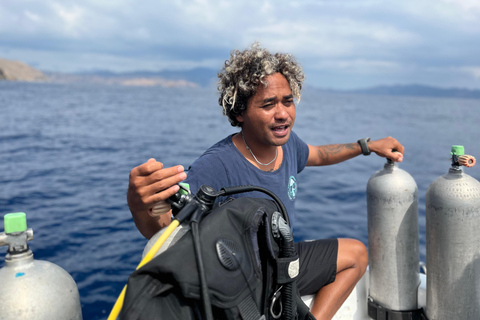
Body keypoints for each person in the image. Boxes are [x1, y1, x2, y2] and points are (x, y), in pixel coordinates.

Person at [127, 43, 404, 320]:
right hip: (242, 283)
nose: (283, 113)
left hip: (282, 261)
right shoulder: (215, 165)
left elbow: (319, 154)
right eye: (268, 104)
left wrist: (366, 146)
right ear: (239, 112)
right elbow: (164, 232)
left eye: (287, 101)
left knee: (356, 255)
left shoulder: (288, 145)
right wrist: (140, 205)